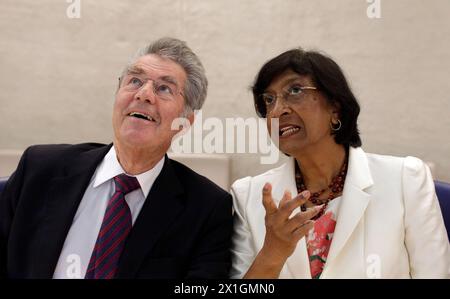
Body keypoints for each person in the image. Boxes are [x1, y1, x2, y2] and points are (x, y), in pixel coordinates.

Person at [0, 37, 233, 279]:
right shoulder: (40, 168)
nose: (144, 95)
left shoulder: (207, 209)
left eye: (164, 88)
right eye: (135, 80)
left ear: (185, 122)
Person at [230, 48, 450, 278]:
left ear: (335, 109)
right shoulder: (248, 196)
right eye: (268, 100)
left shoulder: (405, 180)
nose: (277, 111)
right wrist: (272, 254)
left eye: (295, 91)